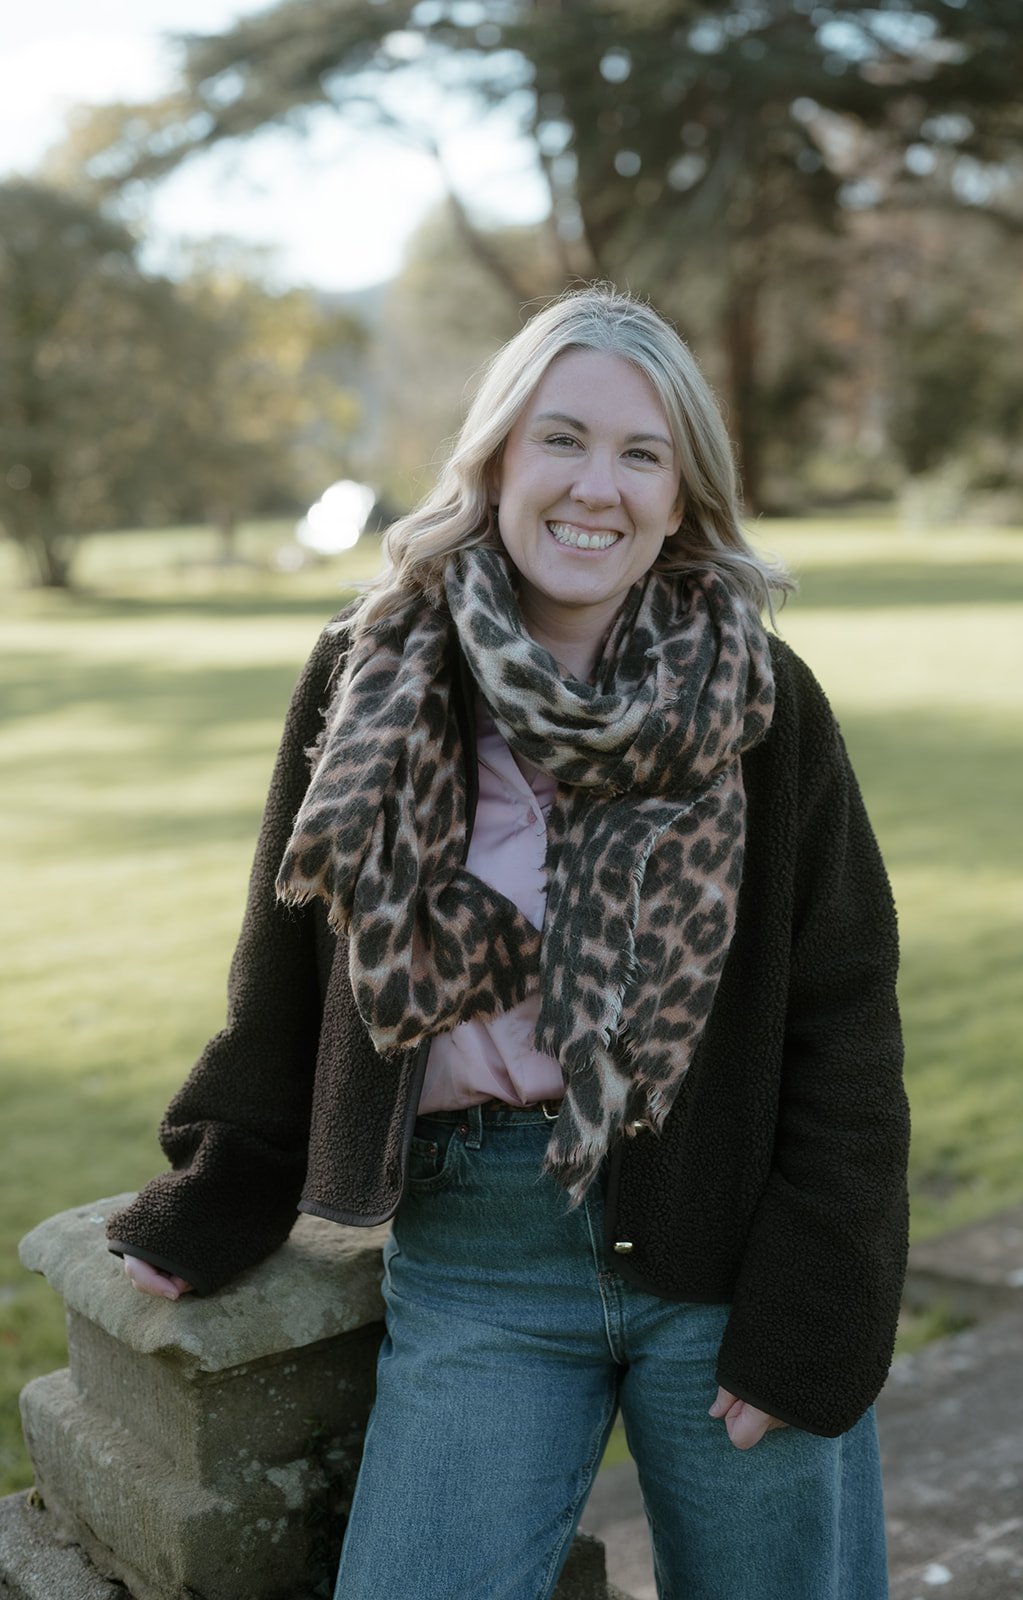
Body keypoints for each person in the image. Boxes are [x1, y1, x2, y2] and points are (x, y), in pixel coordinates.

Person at [107, 285, 909, 1600]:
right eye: (562, 439)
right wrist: (226, 1180)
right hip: (480, 1256)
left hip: (725, 1245)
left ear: (680, 493)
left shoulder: (760, 697)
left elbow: (843, 1015)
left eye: (640, 454)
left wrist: (815, 1299)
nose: (597, 486)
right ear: (493, 459)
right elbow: (284, 969)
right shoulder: (371, 672)